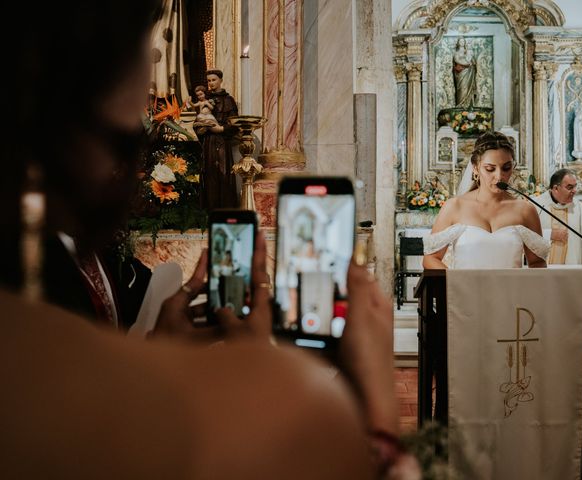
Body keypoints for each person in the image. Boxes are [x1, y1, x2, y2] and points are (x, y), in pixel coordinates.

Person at [0, 1, 420, 478]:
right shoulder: (296, 415)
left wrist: (160, 347)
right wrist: (367, 401)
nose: (156, 65)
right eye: (145, 48)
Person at [422, 131, 549, 269]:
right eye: (490, 169)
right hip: (465, 289)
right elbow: (431, 259)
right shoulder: (454, 207)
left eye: (506, 168)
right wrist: (457, 282)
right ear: (475, 168)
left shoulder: (525, 210)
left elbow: (537, 263)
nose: (499, 176)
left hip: (511, 289)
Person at [536, 169, 582, 265]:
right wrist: (549, 234)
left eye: (575, 187)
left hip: (572, 269)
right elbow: (524, 233)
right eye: (569, 187)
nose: (574, 191)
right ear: (555, 188)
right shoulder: (536, 206)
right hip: (544, 271)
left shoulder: (579, 208)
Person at [198, 69, 239, 210]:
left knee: (223, 173)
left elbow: (235, 124)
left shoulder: (229, 100)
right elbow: (197, 121)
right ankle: (209, 210)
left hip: (222, 142)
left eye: (213, 80)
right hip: (208, 142)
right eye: (209, 81)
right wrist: (201, 128)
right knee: (209, 174)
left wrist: (221, 129)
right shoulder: (204, 99)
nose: (211, 83)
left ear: (221, 80)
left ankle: (225, 209)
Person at [452, 37, 477, 109]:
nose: (462, 43)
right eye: (460, 41)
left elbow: (473, 62)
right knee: (462, 89)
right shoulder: (456, 53)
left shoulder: (468, 52)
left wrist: (471, 62)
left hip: (469, 73)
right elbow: (457, 60)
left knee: (468, 89)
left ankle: (468, 106)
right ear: (458, 43)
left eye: (463, 41)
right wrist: (466, 64)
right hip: (461, 73)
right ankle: (460, 105)